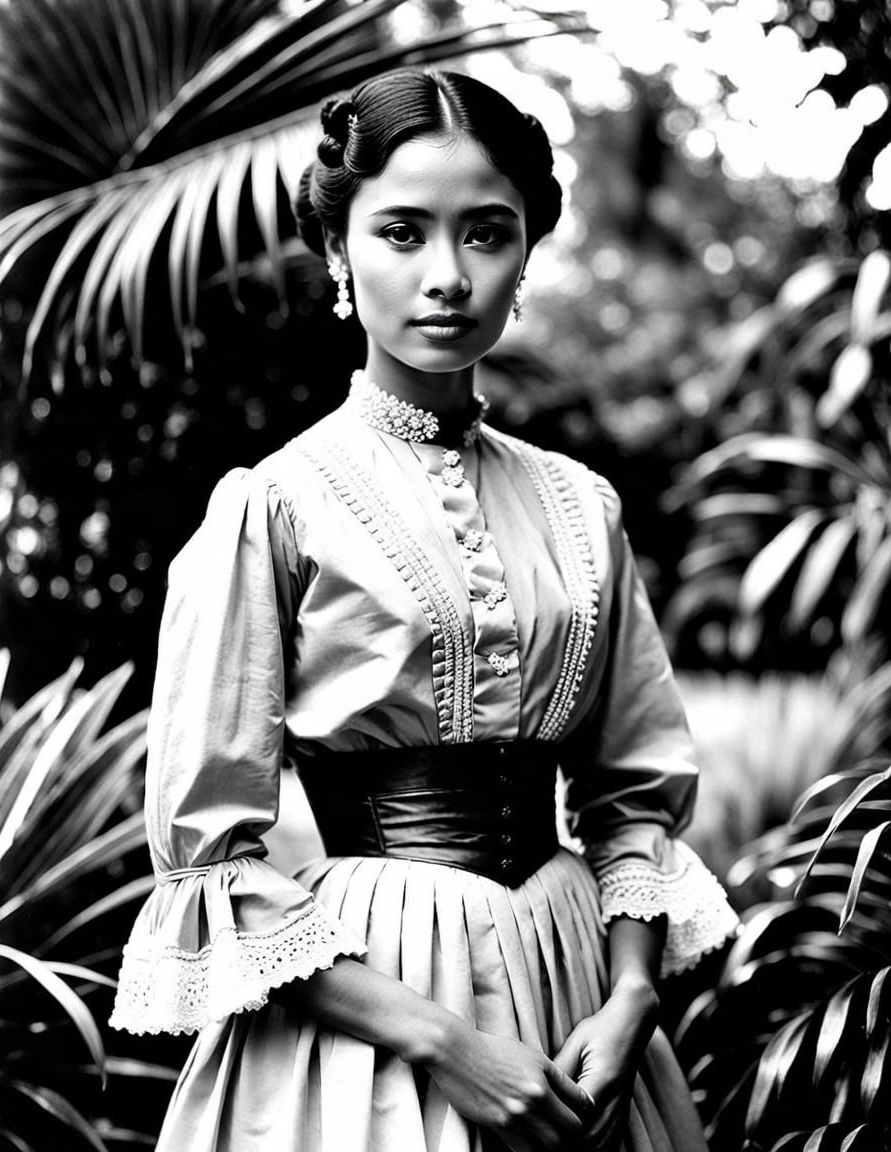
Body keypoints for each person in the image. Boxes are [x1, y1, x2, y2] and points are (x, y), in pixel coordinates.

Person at [110, 68, 739, 1151]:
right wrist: (451, 1047)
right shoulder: (275, 506)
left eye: (486, 234)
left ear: (525, 254)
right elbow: (208, 859)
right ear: (337, 251)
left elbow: (631, 790)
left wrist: (632, 995)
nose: (447, 276)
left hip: (573, 982)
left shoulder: (580, 506)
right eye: (401, 232)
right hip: (371, 1010)